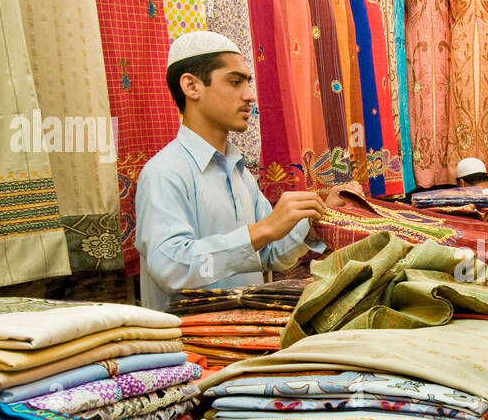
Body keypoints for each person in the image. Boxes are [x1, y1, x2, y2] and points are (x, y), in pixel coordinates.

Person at [136, 31, 359, 311]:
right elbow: (172, 269)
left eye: (248, 82)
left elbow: (271, 254)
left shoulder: (238, 172)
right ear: (191, 86)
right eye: (235, 82)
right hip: (191, 351)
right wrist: (262, 229)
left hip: (245, 338)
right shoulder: (164, 173)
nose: (250, 95)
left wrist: (316, 218)